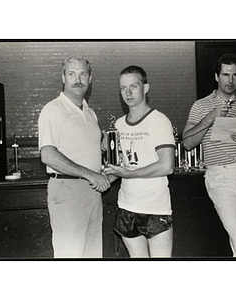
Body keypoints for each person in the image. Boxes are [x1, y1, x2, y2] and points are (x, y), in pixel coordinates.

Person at [183, 53, 236, 257]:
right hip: (220, 174)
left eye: (235, 75)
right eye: (226, 74)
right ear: (216, 76)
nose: (230, 80)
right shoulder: (201, 106)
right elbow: (187, 142)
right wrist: (210, 118)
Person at [38, 55, 110, 258]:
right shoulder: (53, 110)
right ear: (63, 78)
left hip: (93, 192)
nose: (78, 79)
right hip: (68, 191)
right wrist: (90, 174)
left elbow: (83, 151)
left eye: (83, 74)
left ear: (90, 78)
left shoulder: (90, 113)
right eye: (72, 74)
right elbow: (48, 155)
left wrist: (103, 148)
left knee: (92, 255)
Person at [104, 65, 175, 258]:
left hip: (155, 208)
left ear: (145, 88)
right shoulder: (117, 125)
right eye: (123, 88)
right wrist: (99, 177)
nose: (128, 92)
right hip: (127, 206)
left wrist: (129, 174)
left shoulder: (159, 121)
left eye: (133, 86)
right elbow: (118, 169)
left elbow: (167, 165)